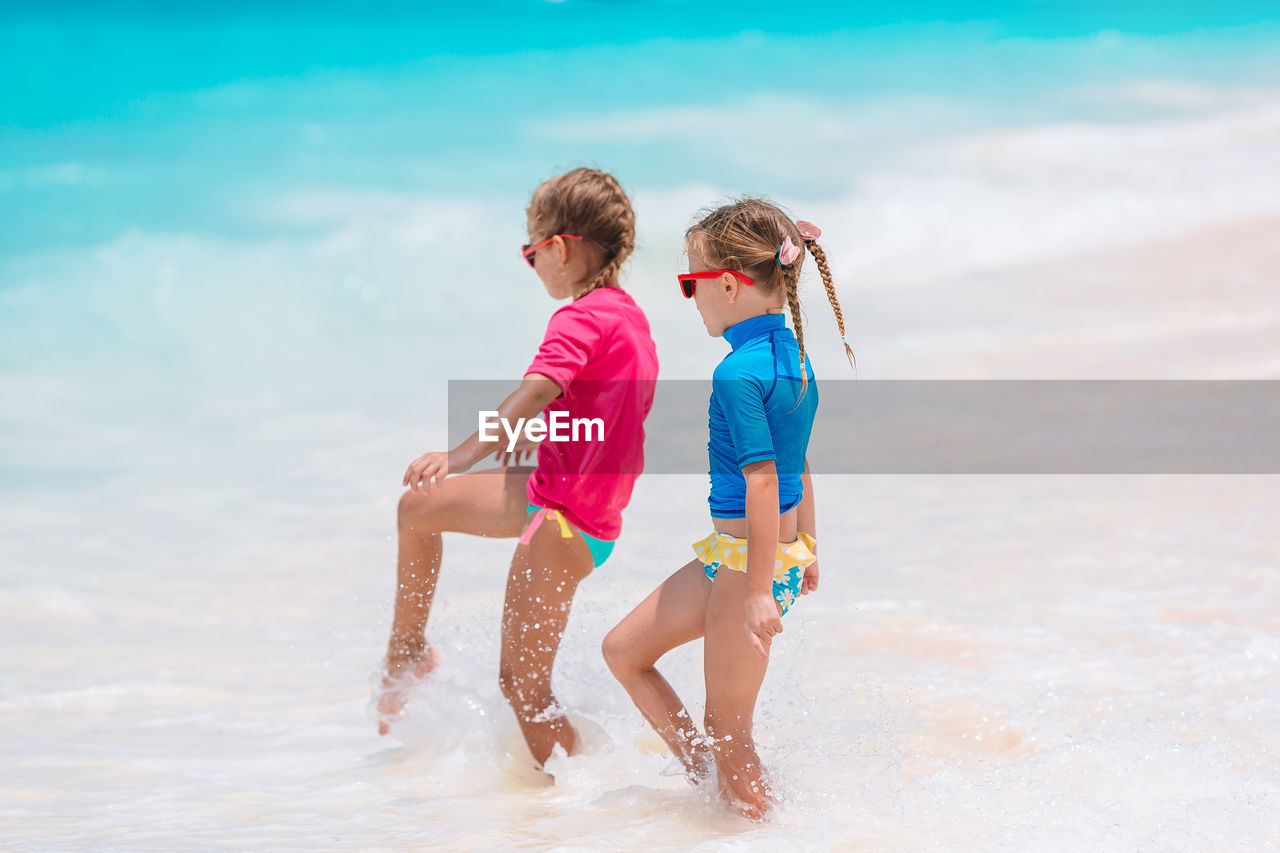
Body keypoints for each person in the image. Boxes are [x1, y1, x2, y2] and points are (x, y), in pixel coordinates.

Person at [377, 168, 659, 768]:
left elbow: (534, 389)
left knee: (523, 688)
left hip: (564, 522)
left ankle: (581, 796)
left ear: (558, 247)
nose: (532, 269)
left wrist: (458, 456)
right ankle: (408, 652)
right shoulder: (629, 317)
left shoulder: (578, 319)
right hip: (555, 494)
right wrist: (551, 428)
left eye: (530, 255)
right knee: (417, 510)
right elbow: (614, 415)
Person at [602, 198, 853, 819]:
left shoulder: (739, 372)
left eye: (691, 283)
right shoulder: (793, 358)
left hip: (751, 566)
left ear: (731, 285)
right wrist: (809, 549)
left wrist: (763, 588)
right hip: (745, 558)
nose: (691, 299)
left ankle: (755, 826)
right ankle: (712, 789)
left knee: (729, 726)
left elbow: (767, 481)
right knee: (624, 651)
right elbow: (803, 465)